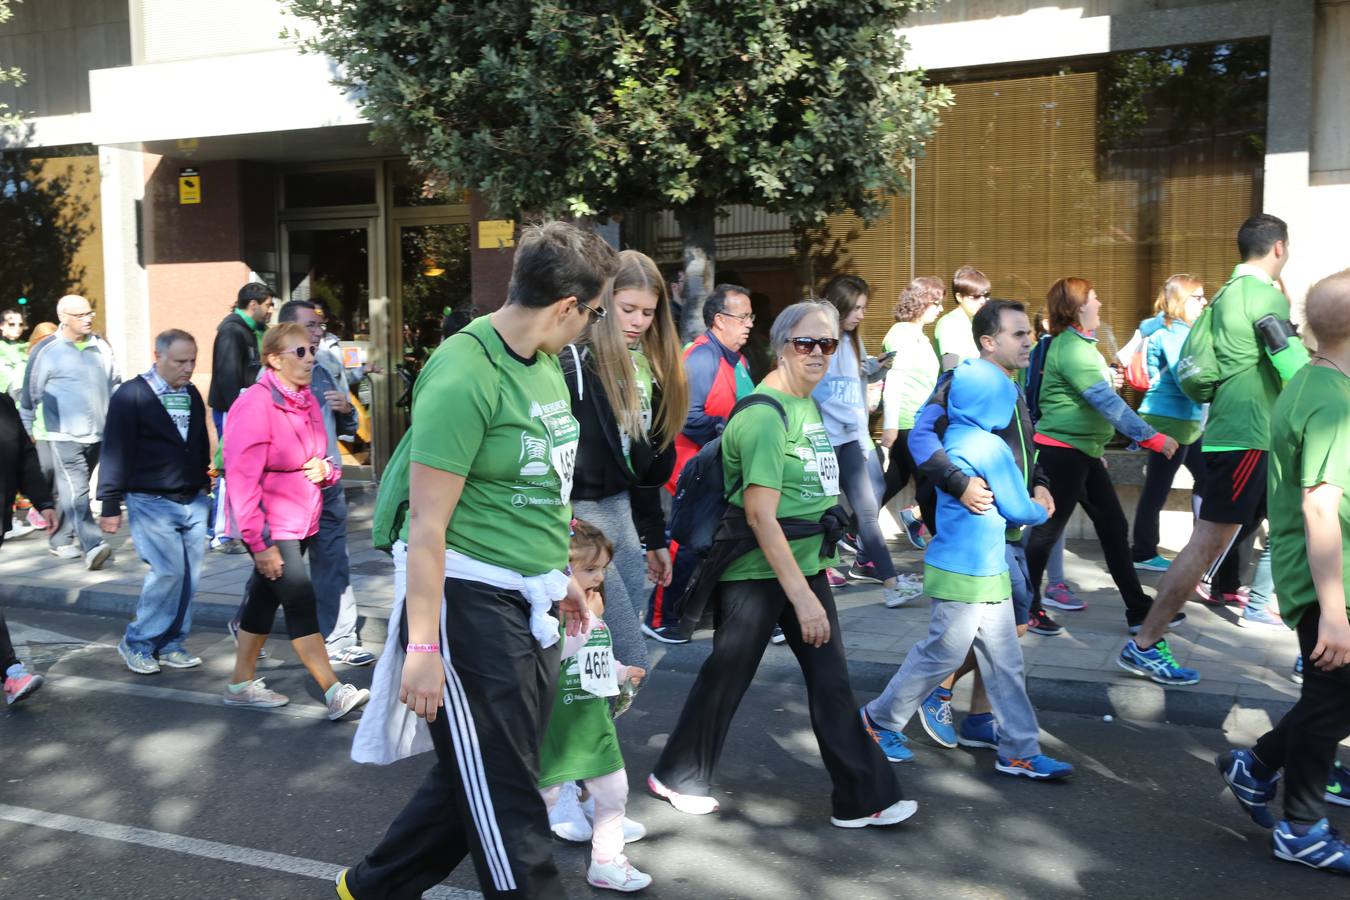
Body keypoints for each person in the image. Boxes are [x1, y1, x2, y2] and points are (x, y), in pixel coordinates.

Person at [341, 222, 615, 899]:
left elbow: (544, 488)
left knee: (494, 765)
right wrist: (424, 645)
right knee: (511, 798)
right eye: (598, 312)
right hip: (466, 597)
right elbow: (429, 528)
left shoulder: (547, 361)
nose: (594, 325)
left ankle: (373, 887)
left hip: (530, 591)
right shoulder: (464, 373)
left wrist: (565, 576)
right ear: (565, 307)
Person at [648, 301, 913, 829]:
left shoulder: (804, 404)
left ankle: (864, 797)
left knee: (829, 681)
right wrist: (804, 598)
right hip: (758, 572)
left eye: (828, 344)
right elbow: (760, 515)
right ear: (781, 345)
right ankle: (676, 775)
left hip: (800, 564)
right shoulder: (766, 415)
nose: (818, 353)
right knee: (728, 676)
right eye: (805, 343)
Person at [864, 357, 1072, 781]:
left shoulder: (954, 439)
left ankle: (1019, 749)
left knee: (993, 660)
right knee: (948, 654)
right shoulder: (991, 447)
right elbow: (1017, 510)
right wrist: (1042, 508)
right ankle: (876, 720)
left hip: (967, 567)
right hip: (975, 572)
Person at [1121, 214, 1308, 685]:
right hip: (1251, 436)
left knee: (1297, 533)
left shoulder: (1225, 294)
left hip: (1240, 432)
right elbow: (1293, 364)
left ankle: (1318, 653)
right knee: (1209, 543)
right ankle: (1144, 642)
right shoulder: (1263, 294)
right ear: (1279, 248)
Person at [1213, 268, 1350, 873]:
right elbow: (1320, 508)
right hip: (1329, 586)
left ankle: (1259, 764)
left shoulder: (1309, 379)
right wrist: (1336, 616)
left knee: (1332, 701)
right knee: (1329, 706)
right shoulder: (1331, 402)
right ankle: (1300, 827)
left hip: (1325, 582)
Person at [906, 301, 1056, 751]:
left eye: (1028, 332)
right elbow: (920, 436)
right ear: (989, 342)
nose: (1028, 340)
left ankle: (978, 717)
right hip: (979, 525)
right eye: (1018, 334)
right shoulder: (960, 382)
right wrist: (960, 484)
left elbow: (1025, 446)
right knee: (999, 629)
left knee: (1014, 627)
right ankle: (935, 689)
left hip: (1009, 522)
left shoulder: (1013, 384)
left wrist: (1042, 482)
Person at [220, 322, 369, 720]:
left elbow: (325, 460)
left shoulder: (305, 398)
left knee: (263, 604)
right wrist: (259, 543)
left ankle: (239, 684)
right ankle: (333, 690)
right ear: (273, 359)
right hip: (271, 526)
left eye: (310, 350)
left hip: (305, 520)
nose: (310, 358)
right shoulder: (255, 403)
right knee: (301, 600)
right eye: (299, 352)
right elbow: (241, 480)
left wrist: (328, 472)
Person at [1023, 278, 1180, 638]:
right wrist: (1152, 437)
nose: (1101, 304)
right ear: (1078, 307)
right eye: (1094, 299)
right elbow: (1105, 402)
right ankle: (1026, 608)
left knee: (1113, 528)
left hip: (1083, 452)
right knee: (1046, 533)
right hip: (1062, 454)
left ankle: (1139, 611)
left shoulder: (1079, 346)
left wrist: (1096, 449)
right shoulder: (1073, 349)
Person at [563, 249, 689, 672]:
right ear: (603, 302)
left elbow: (642, 472)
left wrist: (655, 539)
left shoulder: (647, 370)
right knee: (621, 658)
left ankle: (589, 737)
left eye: (648, 312)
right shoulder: (573, 363)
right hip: (577, 521)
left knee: (614, 661)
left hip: (622, 519)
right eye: (627, 309)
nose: (637, 321)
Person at [539, 519, 651, 893]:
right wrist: (585, 622)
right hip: (555, 731)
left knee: (614, 793)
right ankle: (519, 867)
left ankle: (606, 861)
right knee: (541, 799)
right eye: (590, 569)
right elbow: (554, 657)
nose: (599, 577)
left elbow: (596, 657)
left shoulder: (592, 611)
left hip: (594, 726)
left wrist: (621, 672)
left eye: (601, 569)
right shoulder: (547, 616)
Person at [643, 283, 754, 643]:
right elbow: (687, 417)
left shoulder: (738, 359)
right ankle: (657, 616)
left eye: (751, 316)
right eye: (743, 316)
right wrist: (731, 430)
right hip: (693, 468)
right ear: (720, 320)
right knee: (686, 543)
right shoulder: (702, 357)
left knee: (729, 540)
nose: (750, 324)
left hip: (724, 466)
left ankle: (729, 612)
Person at [97, 329, 212, 676]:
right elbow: (115, 448)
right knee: (168, 572)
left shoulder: (190, 392)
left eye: (192, 360)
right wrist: (109, 503)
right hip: (150, 499)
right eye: (180, 361)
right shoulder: (131, 395)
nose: (188, 368)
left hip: (192, 497)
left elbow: (197, 439)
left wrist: (204, 482)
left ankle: (172, 643)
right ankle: (138, 643)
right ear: (158, 356)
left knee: (189, 577)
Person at [273, 300, 375, 668]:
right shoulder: (267, 379)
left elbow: (348, 429)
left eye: (319, 325)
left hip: (328, 483)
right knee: (282, 568)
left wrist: (346, 412)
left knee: (333, 559)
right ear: (287, 331)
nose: (318, 331)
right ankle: (249, 617)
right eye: (310, 326)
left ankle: (340, 637)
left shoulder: (327, 365)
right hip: (290, 491)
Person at [815, 274, 921, 608]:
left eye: (864, 307)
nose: (862, 314)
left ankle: (866, 567)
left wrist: (875, 369)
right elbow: (821, 390)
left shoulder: (852, 341)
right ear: (839, 306)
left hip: (854, 438)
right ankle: (887, 580)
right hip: (830, 440)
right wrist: (852, 417)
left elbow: (854, 378)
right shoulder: (821, 340)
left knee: (869, 504)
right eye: (856, 307)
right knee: (851, 511)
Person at [19, 294, 120, 570]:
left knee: (72, 492)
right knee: (76, 490)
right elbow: (29, 397)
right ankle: (93, 545)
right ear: (63, 317)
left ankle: (61, 540)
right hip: (62, 436)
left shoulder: (101, 347)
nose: (88, 319)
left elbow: (115, 385)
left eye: (90, 313)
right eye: (80, 315)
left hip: (98, 434)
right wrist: (27, 434)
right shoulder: (47, 351)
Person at [1130, 275, 1208, 573]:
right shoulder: (1173, 333)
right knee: (1158, 488)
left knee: (1206, 480)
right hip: (1170, 419)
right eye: (1197, 297)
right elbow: (1186, 376)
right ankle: (1144, 550)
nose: (1204, 302)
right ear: (1179, 300)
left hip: (1184, 421)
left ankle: (1200, 547)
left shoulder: (1179, 329)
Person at [0, 384, 58, 705]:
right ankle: (11, 671)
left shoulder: (4, 406)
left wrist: (43, 501)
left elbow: (24, 456)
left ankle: (11, 672)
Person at [208, 282, 274, 554]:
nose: (272, 310)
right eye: (269, 304)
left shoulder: (254, 331)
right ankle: (221, 534)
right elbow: (227, 376)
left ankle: (238, 527)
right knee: (229, 467)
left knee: (244, 468)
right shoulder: (231, 331)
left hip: (249, 408)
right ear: (253, 304)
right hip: (233, 409)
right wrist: (238, 412)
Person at [881, 278, 945, 549]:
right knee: (928, 487)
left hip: (918, 422)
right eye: (936, 302)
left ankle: (851, 530)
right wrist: (890, 426)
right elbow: (894, 380)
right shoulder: (902, 334)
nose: (940, 309)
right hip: (910, 422)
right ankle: (946, 547)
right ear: (922, 302)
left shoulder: (918, 334)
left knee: (892, 482)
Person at [934, 266, 990, 371]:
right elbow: (950, 369)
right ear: (959, 297)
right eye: (976, 296)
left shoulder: (977, 323)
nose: (982, 300)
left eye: (985, 295)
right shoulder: (949, 323)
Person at [0, 308, 27, 400]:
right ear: (1, 326)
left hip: (24, 399)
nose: (17, 327)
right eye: (11, 324)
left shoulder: (27, 346)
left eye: (20, 324)